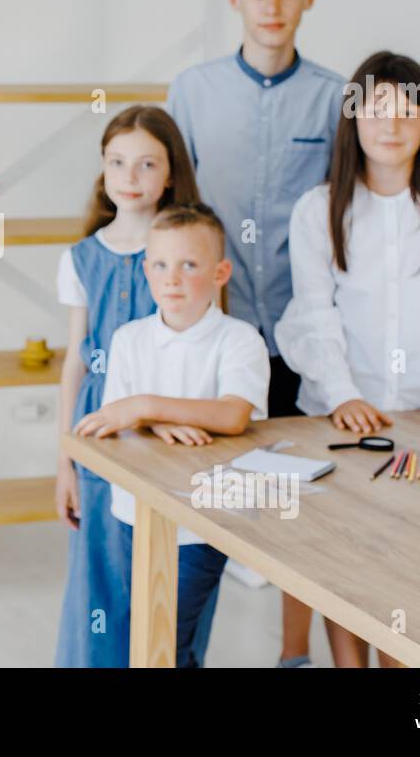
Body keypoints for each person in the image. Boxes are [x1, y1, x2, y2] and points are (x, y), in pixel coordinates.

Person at [275, 50, 420, 666]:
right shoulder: (317, 210)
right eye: (377, 109)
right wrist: (341, 394)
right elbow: (313, 315)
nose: (393, 124)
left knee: (417, 568)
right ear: (352, 119)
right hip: (343, 417)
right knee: (343, 560)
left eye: (410, 111)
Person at [165, 0, 344, 667]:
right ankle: (183, 652)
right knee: (208, 501)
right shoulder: (193, 90)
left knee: (313, 506)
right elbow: (178, 211)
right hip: (220, 330)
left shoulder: (337, 97)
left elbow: (347, 214)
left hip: (306, 332)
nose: (272, 8)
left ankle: (294, 656)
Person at [73, 202, 270, 667]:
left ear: (220, 272)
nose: (173, 278)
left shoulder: (239, 340)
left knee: (169, 639)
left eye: (189, 265)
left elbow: (232, 415)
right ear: (146, 269)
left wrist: (145, 406)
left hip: (203, 523)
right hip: (131, 513)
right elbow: (113, 420)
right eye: (160, 265)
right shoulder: (129, 339)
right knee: (138, 633)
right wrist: (155, 420)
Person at [54, 105, 201, 667]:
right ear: (103, 170)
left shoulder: (188, 247)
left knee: (172, 580)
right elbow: (75, 359)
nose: (130, 176)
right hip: (98, 433)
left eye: (146, 164)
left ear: (170, 174)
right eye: (117, 162)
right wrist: (66, 459)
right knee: (101, 580)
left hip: (174, 432)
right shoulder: (81, 257)